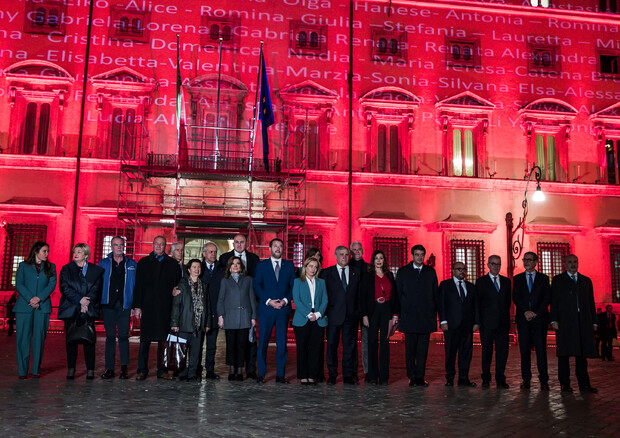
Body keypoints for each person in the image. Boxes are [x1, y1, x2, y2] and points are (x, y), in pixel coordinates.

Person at [133, 236, 181, 380]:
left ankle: (162, 370)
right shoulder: (143, 263)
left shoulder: (172, 264)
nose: (159, 246)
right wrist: (137, 306)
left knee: (163, 341)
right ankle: (142, 370)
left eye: (161, 244)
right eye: (156, 244)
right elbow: (138, 286)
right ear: (153, 245)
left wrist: (175, 309)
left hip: (165, 307)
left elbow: (177, 286)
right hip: (147, 306)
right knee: (144, 340)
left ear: (165, 246)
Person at [550, 254, 598, 393]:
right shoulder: (558, 280)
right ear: (565, 264)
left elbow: (591, 302)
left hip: (583, 321)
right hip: (565, 322)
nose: (573, 264)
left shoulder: (586, 281)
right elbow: (554, 301)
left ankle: (584, 384)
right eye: (570, 262)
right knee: (564, 354)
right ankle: (565, 384)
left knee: (582, 355)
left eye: (575, 262)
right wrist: (554, 319)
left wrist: (594, 321)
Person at [58, 243, 104, 380]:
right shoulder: (66, 269)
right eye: (75, 252)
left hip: (88, 308)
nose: (76, 254)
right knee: (71, 340)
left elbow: (97, 288)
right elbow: (64, 287)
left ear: (86, 255)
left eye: (79, 251)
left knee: (89, 340)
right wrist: (79, 300)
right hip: (71, 308)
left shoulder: (95, 270)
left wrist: (87, 302)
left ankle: (90, 370)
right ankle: (71, 369)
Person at [396, 244, 438, 387]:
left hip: (426, 318)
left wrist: (434, 314)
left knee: (423, 351)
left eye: (421, 255)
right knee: (410, 350)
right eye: (417, 254)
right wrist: (398, 314)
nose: (419, 257)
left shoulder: (430, 272)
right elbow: (398, 294)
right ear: (412, 256)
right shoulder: (403, 272)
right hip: (409, 317)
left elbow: (435, 294)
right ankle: (412, 376)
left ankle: (420, 377)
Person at [254, 238, 295, 384]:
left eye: (280, 246)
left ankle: (280, 375)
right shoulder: (262, 265)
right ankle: (261, 374)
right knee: (263, 343)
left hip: (283, 310)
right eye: (275, 246)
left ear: (283, 249)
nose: (278, 248)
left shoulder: (289, 265)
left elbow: (293, 286)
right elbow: (257, 285)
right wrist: (268, 301)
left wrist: (285, 301)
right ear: (270, 248)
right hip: (266, 309)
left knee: (282, 344)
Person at [14, 241, 57, 379]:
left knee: (39, 339)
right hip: (24, 307)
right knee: (22, 339)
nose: (47, 254)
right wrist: (31, 299)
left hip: (42, 307)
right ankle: (22, 371)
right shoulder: (23, 266)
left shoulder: (51, 267)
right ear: (36, 251)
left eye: (48, 251)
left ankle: (35, 370)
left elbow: (52, 285)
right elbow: (19, 284)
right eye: (44, 251)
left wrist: (39, 298)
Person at [220, 233, 260, 379]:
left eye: (242, 242)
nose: (239, 244)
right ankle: (233, 370)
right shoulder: (224, 260)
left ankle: (248, 370)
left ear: (246, 243)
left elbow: (252, 296)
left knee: (247, 343)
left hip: (245, 314)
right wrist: (221, 315)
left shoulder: (254, 260)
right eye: (236, 242)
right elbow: (221, 298)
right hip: (231, 316)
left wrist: (253, 315)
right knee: (231, 344)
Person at [98, 236, 137, 380]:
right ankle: (109, 369)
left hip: (125, 305)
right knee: (109, 337)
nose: (119, 247)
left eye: (121, 245)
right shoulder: (103, 263)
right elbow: (97, 284)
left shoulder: (132, 264)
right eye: (116, 245)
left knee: (123, 336)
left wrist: (134, 305)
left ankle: (124, 369)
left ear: (124, 246)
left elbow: (136, 286)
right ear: (111, 247)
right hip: (108, 304)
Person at [512, 251, 551, 390]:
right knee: (524, 351)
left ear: (536, 262)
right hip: (523, 319)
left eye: (529, 260)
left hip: (539, 320)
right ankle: (526, 379)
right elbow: (516, 297)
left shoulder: (543, 278)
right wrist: (525, 311)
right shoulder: (517, 279)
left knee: (541, 351)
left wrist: (536, 313)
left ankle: (544, 381)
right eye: (525, 259)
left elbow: (547, 298)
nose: (526, 262)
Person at [322, 245, 361, 385]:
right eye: (341, 254)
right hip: (333, 316)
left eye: (346, 254)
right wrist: (325, 313)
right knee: (332, 346)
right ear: (335, 256)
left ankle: (348, 375)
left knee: (349, 347)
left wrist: (358, 313)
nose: (344, 257)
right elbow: (323, 295)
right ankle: (332, 375)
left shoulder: (357, 273)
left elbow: (360, 295)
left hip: (351, 316)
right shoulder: (327, 273)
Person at [360, 250, 399, 385]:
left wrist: (395, 314)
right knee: (371, 341)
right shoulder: (367, 276)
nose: (378, 260)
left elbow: (395, 296)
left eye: (381, 258)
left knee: (385, 343)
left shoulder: (390, 275)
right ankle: (372, 375)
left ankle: (383, 377)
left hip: (387, 310)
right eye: (376, 258)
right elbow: (362, 297)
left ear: (384, 260)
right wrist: (364, 315)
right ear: (373, 260)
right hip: (373, 310)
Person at [438, 261, 480, 387]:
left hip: (467, 325)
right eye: (459, 269)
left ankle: (463, 379)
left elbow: (476, 306)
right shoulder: (445, 285)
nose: (462, 271)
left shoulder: (471, 286)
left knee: (466, 352)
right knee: (450, 353)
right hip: (451, 325)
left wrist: (477, 321)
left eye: (464, 269)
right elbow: (441, 304)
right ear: (453, 271)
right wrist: (443, 321)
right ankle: (450, 378)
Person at [170, 259, 212, 381]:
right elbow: (176, 305)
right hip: (185, 323)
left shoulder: (204, 285)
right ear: (189, 270)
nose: (196, 269)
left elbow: (207, 306)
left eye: (198, 267)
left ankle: (192, 373)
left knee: (196, 351)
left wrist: (207, 323)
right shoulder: (182, 285)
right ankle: (182, 373)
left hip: (199, 324)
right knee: (182, 350)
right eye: (194, 267)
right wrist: (174, 322)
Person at [476, 255, 512, 389]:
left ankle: (500, 378)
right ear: (488, 265)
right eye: (493, 264)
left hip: (502, 323)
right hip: (486, 324)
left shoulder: (506, 282)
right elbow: (477, 304)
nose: (496, 266)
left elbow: (507, 302)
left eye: (498, 264)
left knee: (502, 352)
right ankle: (486, 378)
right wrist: (478, 322)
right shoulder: (481, 282)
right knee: (486, 351)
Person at [292, 257, 327, 384]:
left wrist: (317, 314)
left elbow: (325, 300)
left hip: (318, 318)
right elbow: (297, 300)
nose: (313, 269)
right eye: (311, 266)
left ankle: (312, 375)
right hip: (302, 318)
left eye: (315, 267)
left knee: (315, 349)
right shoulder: (298, 281)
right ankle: (303, 375)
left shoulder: (321, 282)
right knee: (302, 348)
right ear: (305, 267)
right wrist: (308, 314)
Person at [200, 242, 225, 379]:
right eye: (210, 252)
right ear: (204, 253)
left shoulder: (221, 269)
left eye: (215, 251)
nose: (213, 254)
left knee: (211, 345)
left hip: (215, 312)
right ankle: (195, 369)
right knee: (197, 344)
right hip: (200, 312)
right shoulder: (198, 267)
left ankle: (210, 370)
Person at [349, 241, 368, 382]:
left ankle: (368, 371)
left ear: (363, 250)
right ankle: (353, 372)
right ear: (351, 252)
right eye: (354, 249)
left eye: (359, 249)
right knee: (351, 342)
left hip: (366, 309)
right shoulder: (346, 267)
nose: (357, 251)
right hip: (351, 309)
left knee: (367, 341)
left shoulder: (368, 267)